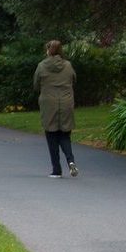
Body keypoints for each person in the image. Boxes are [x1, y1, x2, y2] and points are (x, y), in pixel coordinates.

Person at [33, 40, 78, 178]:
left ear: (48, 50)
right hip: (66, 103)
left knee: (51, 136)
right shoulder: (68, 66)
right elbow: (74, 80)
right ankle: (71, 161)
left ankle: (56, 170)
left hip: (49, 104)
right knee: (65, 135)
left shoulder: (41, 66)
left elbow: (36, 85)